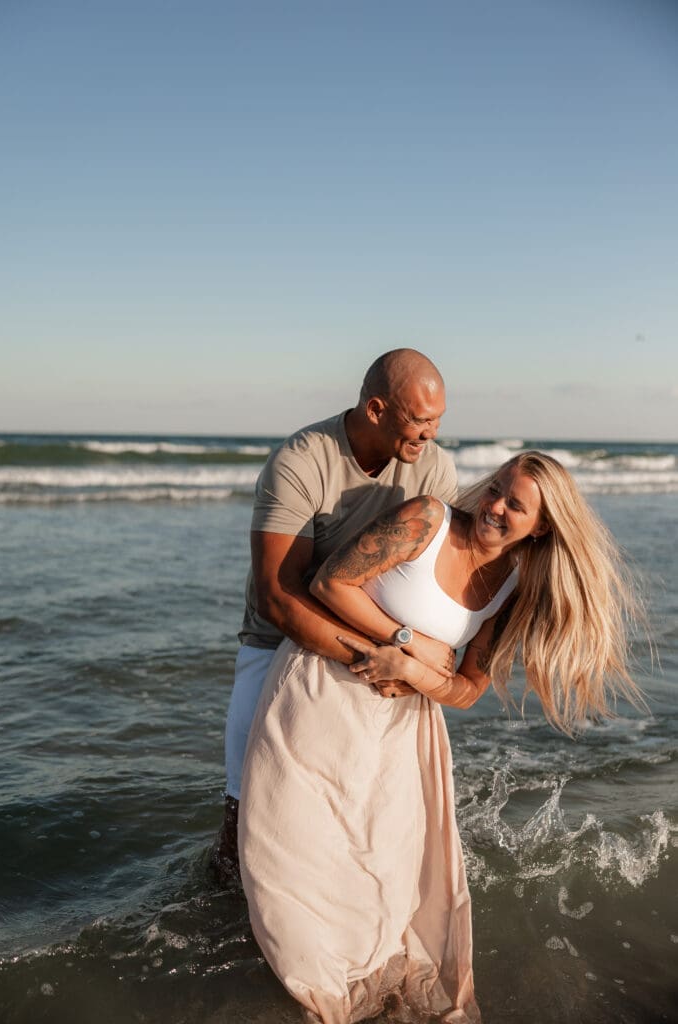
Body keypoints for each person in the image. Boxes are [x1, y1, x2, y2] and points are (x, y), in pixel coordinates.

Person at [238, 452, 643, 1024]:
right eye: (497, 487)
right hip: (321, 690)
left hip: (402, 724)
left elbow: (468, 687)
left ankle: (351, 983)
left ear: (544, 526)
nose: (494, 505)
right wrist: (408, 640)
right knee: (291, 846)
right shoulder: (426, 521)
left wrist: (409, 670)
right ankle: (310, 984)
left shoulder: (511, 589)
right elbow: (330, 583)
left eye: (515, 504)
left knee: (379, 861)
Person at [212, 349, 459, 881]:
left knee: (364, 817)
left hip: (382, 642)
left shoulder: (434, 468)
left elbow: (440, 576)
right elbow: (279, 595)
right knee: (245, 815)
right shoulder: (302, 461)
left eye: (437, 423)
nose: (429, 437)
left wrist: (421, 657)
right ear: (376, 410)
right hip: (278, 642)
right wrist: (379, 655)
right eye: (418, 423)